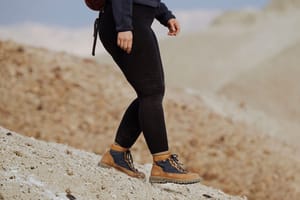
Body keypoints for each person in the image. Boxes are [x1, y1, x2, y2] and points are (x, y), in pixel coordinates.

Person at [98, 0, 201, 184]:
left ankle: (117, 154)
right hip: (127, 23)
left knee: (150, 92)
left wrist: (165, 14)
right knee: (151, 92)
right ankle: (162, 163)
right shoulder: (125, 24)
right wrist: (123, 26)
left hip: (135, 21)